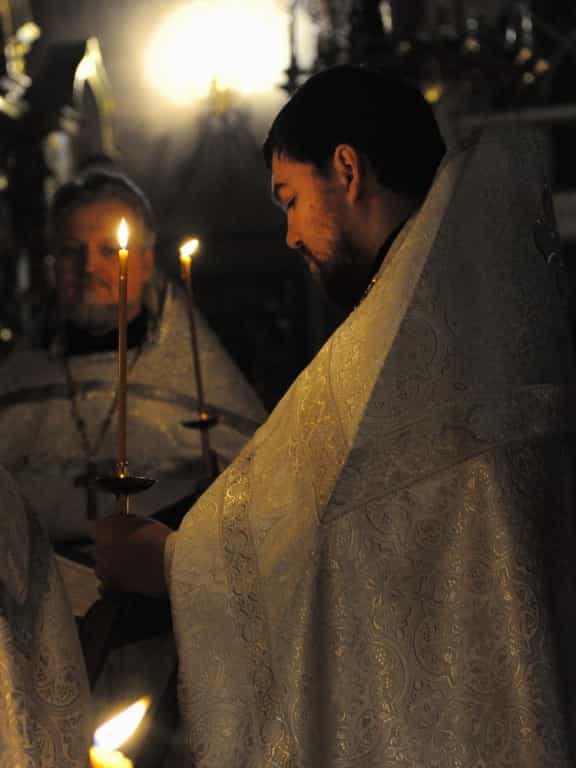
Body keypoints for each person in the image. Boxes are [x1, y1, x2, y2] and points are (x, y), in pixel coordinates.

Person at [94, 66, 576, 766]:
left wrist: (169, 562)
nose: (288, 234)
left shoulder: (415, 337)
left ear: (346, 170)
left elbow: (355, 545)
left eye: (290, 199)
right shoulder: (459, 309)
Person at [0, 169, 266, 544]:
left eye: (109, 250)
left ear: (144, 262)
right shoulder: (18, 380)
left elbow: (258, 495)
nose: (89, 266)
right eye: (71, 251)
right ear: (52, 265)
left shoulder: (198, 381)